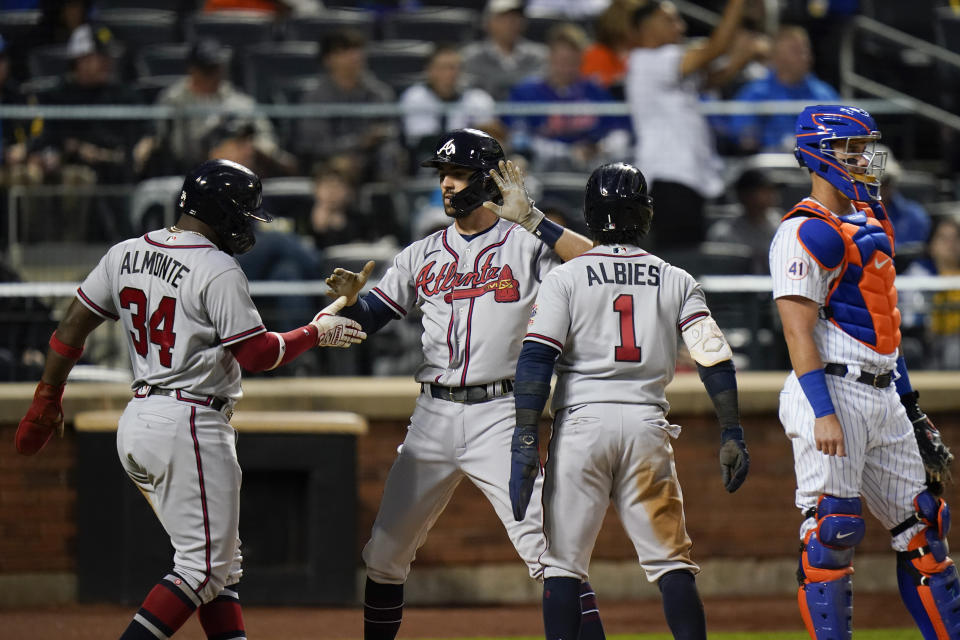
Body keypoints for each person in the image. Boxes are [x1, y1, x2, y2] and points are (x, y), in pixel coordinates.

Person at [14, 159, 366, 640]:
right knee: (203, 570)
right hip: (190, 422)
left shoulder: (125, 253)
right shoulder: (217, 267)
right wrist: (315, 333)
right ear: (220, 211)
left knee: (221, 570)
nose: (246, 224)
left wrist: (47, 397)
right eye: (242, 213)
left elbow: (71, 325)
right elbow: (257, 354)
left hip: (140, 418)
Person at [323, 128, 608, 640]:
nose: (447, 185)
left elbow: (600, 269)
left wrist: (535, 220)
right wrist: (345, 306)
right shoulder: (422, 253)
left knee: (551, 554)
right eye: (442, 176)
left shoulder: (526, 244)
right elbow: (368, 319)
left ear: (488, 179)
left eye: (457, 175)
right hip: (431, 416)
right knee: (385, 556)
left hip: (500, 414)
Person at [510, 162, 750, 640]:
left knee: (562, 567)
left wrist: (523, 437)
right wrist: (732, 430)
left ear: (591, 214)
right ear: (645, 214)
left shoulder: (567, 277)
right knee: (672, 564)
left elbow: (536, 360)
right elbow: (714, 358)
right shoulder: (676, 278)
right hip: (646, 427)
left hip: (581, 425)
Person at [769, 104, 959, 640]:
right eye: (850, 150)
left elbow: (886, 329)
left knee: (926, 528)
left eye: (863, 149)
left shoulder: (871, 221)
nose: (862, 160)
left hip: (882, 390)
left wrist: (914, 409)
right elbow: (796, 332)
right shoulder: (803, 230)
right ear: (818, 154)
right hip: (830, 387)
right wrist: (823, 412)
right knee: (832, 531)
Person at [625, 0, 769, 250]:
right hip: (670, 180)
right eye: (669, 20)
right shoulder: (649, 60)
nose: (680, 27)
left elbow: (711, 80)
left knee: (688, 262)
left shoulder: (665, 64)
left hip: (685, 179)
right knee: (678, 263)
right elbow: (716, 48)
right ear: (646, 27)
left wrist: (743, 56)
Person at [137, 38, 294, 177]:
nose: (213, 75)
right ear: (192, 69)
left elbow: (266, 138)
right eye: (207, 70)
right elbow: (164, 141)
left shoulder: (237, 100)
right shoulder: (174, 99)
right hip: (190, 167)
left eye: (216, 68)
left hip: (241, 169)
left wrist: (250, 145)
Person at [506, 22, 630, 172]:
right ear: (550, 57)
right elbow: (517, 137)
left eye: (572, 62)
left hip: (590, 165)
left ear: (581, 60)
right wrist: (565, 152)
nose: (566, 68)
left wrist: (598, 148)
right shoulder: (527, 91)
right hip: (542, 166)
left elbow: (618, 131)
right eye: (562, 61)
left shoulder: (594, 90)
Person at [293, 29, 399, 183]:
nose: (354, 57)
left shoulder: (379, 92)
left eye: (357, 50)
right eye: (345, 51)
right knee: (342, 165)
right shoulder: (315, 97)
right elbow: (315, 145)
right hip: (329, 161)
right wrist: (359, 141)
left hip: (372, 159)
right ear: (328, 59)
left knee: (392, 156)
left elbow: (391, 131)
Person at [725, 25, 839, 153]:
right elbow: (742, 136)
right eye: (796, 51)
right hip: (768, 165)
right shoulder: (755, 93)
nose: (805, 56)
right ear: (776, 58)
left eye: (806, 49)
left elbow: (840, 136)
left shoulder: (824, 94)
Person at [399, 44, 501, 163]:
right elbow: (424, 141)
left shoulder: (476, 98)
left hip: (468, 163)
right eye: (442, 67)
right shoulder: (415, 97)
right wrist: (471, 133)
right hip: (424, 161)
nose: (449, 73)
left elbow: (493, 135)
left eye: (453, 67)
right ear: (429, 70)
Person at [901, 217, 960, 370]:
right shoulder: (918, 274)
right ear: (932, 245)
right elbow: (908, 317)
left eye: (956, 238)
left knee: (954, 348)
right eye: (944, 238)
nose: (951, 244)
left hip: (956, 340)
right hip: (928, 339)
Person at [460, 0, 548, 101]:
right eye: (503, 17)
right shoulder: (470, 57)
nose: (510, 23)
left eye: (515, 17)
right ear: (488, 23)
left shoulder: (539, 56)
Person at [705, 168, 781, 274]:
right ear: (743, 195)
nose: (769, 195)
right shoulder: (724, 233)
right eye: (762, 191)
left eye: (770, 190)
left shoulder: (781, 227)